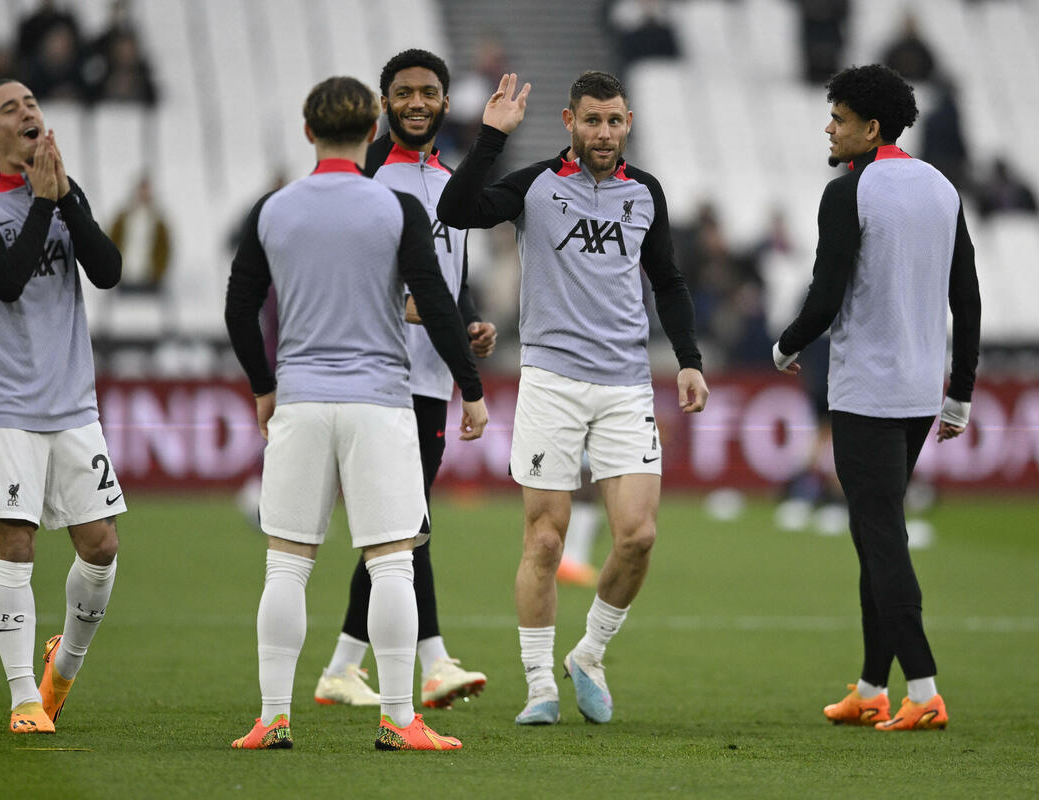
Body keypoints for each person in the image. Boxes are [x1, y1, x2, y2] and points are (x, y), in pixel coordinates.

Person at [224, 75, 489, 751]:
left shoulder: (274, 209)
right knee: (392, 561)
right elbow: (436, 303)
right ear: (374, 130)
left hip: (302, 398)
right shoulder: (395, 207)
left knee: (287, 565)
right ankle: (399, 719)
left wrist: (262, 385)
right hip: (379, 401)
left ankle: (272, 718)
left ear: (308, 131)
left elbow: (240, 307)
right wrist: (471, 387)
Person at [438, 71, 709, 725]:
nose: (604, 133)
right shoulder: (534, 185)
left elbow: (668, 281)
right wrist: (491, 138)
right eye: (592, 120)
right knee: (544, 541)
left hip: (625, 384)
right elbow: (455, 211)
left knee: (638, 536)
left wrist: (689, 360)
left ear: (628, 122)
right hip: (551, 382)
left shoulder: (645, 193)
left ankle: (588, 654)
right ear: (569, 122)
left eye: (614, 121)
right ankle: (539, 684)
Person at [771, 64, 980, 731]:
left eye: (838, 118)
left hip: (866, 392)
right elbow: (967, 296)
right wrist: (960, 392)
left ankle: (923, 689)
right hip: (920, 392)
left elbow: (826, 295)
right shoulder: (941, 187)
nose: (829, 129)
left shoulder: (849, 192)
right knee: (873, 532)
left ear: (871, 127)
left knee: (882, 536)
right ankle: (870, 687)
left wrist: (786, 345)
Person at [311, 49, 496, 711]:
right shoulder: (363, 174)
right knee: (406, 523)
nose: (417, 102)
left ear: (445, 102)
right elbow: (335, 273)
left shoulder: (450, 180)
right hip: (375, 374)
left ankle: (342, 667)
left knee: (401, 527)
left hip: (432, 377)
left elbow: (452, 277)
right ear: (384, 102)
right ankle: (435, 661)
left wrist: (467, 323)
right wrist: (404, 307)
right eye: (404, 92)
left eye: (429, 92)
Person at [0, 79, 125, 734]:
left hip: (71, 400)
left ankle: (61, 668)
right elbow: (6, 280)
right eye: (9, 108)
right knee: (15, 540)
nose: (27, 112)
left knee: (101, 546)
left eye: (32, 104)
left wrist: (63, 198)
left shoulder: (64, 193)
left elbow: (108, 271)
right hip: (3, 401)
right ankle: (24, 698)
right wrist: (45, 203)